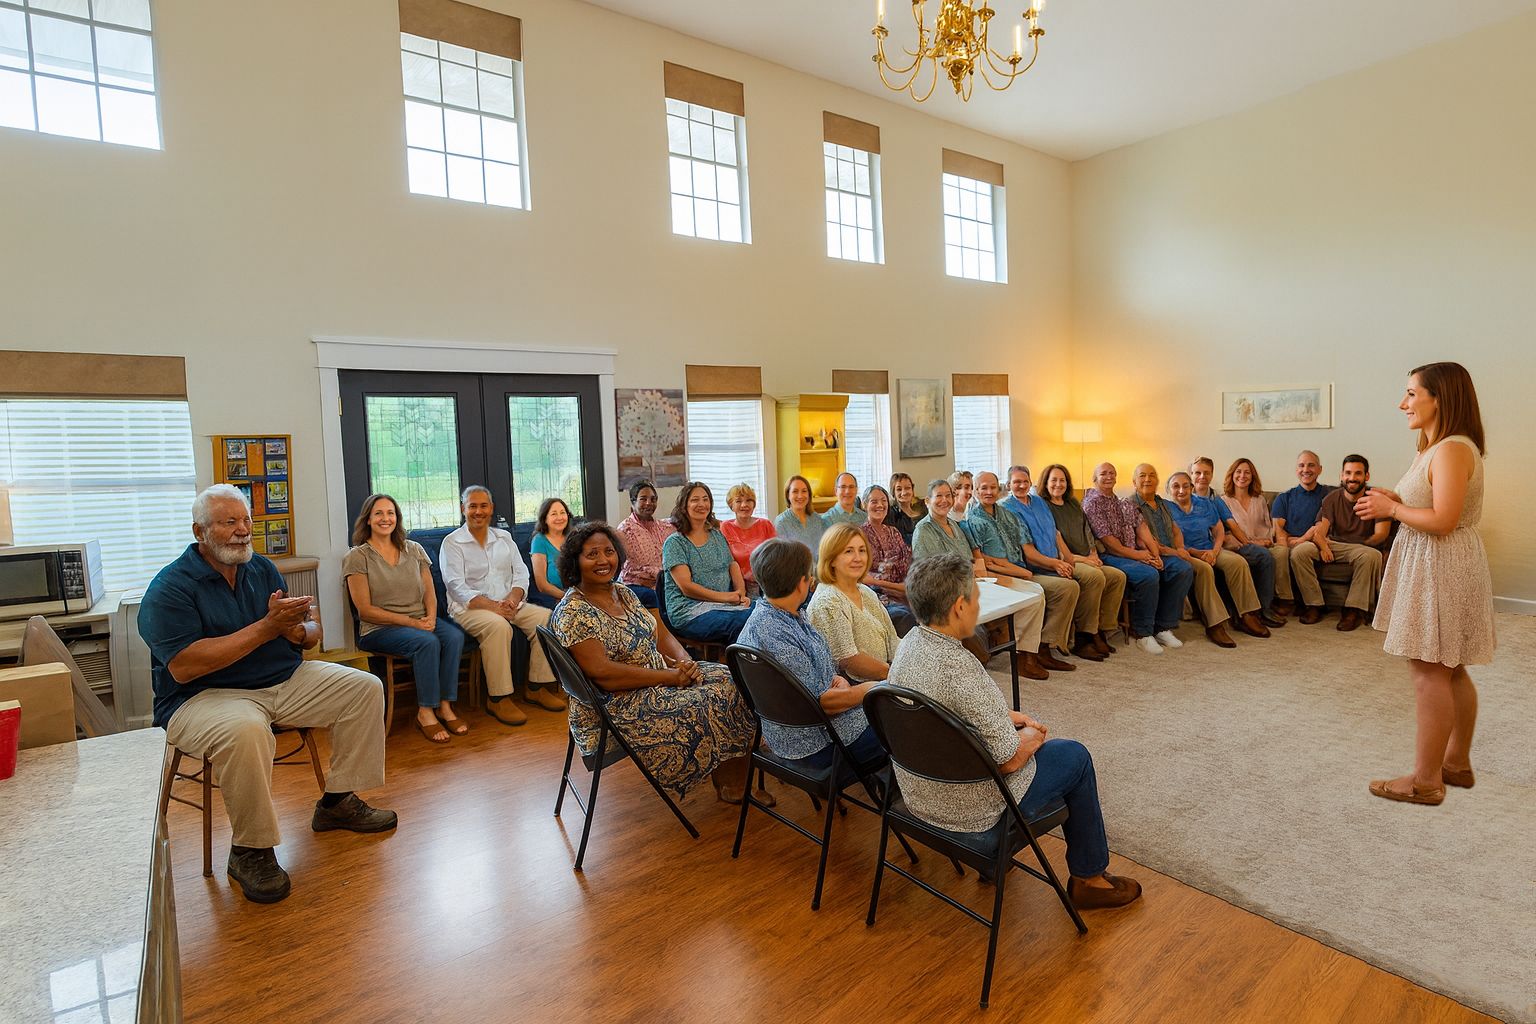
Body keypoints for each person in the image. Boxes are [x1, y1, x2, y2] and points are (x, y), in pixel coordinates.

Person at [139, 485, 396, 904]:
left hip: (282, 679)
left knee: (363, 686)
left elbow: (311, 633)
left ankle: (337, 802)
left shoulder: (262, 569)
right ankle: (250, 850)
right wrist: (267, 628)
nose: (242, 531)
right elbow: (185, 665)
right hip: (203, 697)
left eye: (246, 522)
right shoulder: (170, 589)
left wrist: (298, 630)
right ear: (199, 531)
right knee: (245, 731)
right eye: (229, 523)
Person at [883, 553, 1142, 910]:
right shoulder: (960, 667)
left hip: (918, 794)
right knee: (1074, 756)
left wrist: (1003, 714)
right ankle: (1089, 878)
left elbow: (945, 709)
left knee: (1038, 745)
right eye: (975, 596)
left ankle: (1018, 867)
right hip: (969, 806)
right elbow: (1007, 760)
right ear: (960, 607)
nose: (978, 604)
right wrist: (1033, 737)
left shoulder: (910, 644)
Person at [1360, 362, 1494, 806]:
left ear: (1440, 397)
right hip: (1438, 561)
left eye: (1411, 394)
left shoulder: (1452, 449)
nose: (1403, 403)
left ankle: (1425, 780)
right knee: (1450, 668)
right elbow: (1432, 502)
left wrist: (1394, 510)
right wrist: (1395, 499)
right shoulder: (1434, 447)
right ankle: (1454, 763)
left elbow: (1444, 519)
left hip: (1440, 563)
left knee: (1429, 671)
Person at [550, 521, 759, 804]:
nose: (603, 560)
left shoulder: (621, 592)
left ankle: (731, 773)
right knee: (711, 698)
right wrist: (670, 677)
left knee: (731, 678)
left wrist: (684, 662)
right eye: (592, 554)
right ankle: (733, 780)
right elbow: (603, 675)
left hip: (658, 676)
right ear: (575, 561)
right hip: (616, 704)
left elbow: (659, 633)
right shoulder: (574, 610)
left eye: (609, 552)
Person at [738, 538, 886, 770]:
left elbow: (814, 678)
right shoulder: (773, 631)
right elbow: (824, 704)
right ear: (801, 584)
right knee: (907, 725)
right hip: (817, 745)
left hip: (806, 732)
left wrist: (836, 680)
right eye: (809, 576)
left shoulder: (778, 614)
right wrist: (874, 687)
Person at [343, 493, 468, 745]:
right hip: (379, 628)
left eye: (390, 513)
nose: (385, 518)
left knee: (453, 636)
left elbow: (430, 592)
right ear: (368, 519)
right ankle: (425, 712)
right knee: (427, 642)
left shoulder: (414, 550)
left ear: (397, 518)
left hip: (420, 619)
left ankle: (445, 706)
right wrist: (414, 624)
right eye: (378, 513)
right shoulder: (357, 556)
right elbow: (364, 610)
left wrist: (431, 618)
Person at [441, 485, 564, 726]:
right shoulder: (452, 543)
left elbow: (520, 574)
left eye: (483, 506)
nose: (478, 511)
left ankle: (536, 686)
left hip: (509, 603)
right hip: (469, 609)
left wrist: (513, 599)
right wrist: (494, 607)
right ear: (463, 509)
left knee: (547, 618)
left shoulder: (504, 538)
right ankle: (498, 699)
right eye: (473, 506)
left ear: (491, 509)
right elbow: (457, 586)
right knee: (499, 627)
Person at [913, 478, 1050, 679]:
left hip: (976, 580)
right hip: (949, 591)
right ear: (927, 501)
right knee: (1023, 597)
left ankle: (1025, 652)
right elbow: (932, 573)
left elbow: (971, 559)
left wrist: (988, 575)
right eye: (938, 496)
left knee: (1035, 592)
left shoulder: (953, 524)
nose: (944, 500)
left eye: (947, 495)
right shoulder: (924, 529)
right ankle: (1021, 655)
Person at [965, 471, 1082, 669]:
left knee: (1068, 588)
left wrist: (1038, 567)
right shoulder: (972, 521)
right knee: (1035, 596)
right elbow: (983, 562)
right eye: (983, 488)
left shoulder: (1008, 515)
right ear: (975, 491)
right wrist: (1021, 573)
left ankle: (1044, 646)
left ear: (999, 488)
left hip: (1023, 570)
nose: (989, 491)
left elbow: (1026, 546)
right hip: (998, 577)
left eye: (993, 487)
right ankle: (1023, 655)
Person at [1001, 465, 1116, 662]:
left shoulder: (1038, 502)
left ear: (1031, 483)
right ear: (1008, 484)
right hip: (1033, 567)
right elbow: (1027, 552)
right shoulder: (1008, 508)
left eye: (1024, 481)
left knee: (1096, 577)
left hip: (1055, 560)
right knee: (1070, 587)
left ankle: (1086, 634)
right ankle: (1047, 646)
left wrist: (1068, 559)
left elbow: (1056, 534)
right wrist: (1055, 564)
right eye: (1016, 482)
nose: (1021, 486)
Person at [1081, 463, 1194, 655]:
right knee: (1148, 574)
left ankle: (1163, 626)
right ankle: (1143, 633)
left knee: (1182, 568)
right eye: (1103, 474)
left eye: (1112, 473)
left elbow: (1143, 529)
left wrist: (1155, 555)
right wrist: (1141, 556)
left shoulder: (1122, 502)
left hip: (1135, 553)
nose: (1109, 477)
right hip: (1110, 556)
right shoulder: (1093, 503)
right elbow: (1111, 545)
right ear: (1095, 479)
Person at [1130, 465, 1242, 648]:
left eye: (1152, 475)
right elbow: (1146, 541)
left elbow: (1175, 531)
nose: (1148, 479)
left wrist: (1181, 547)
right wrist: (1180, 551)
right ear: (1134, 482)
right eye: (1142, 476)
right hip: (1154, 554)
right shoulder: (1132, 505)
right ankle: (1215, 624)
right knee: (1197, 568)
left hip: (1176, 551)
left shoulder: (1160, 503)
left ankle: (1164, 627)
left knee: (1192, 567)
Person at [1164, 471, 1272, 639]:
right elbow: (1170, 538)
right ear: (1168, 490)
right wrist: (1198, 554)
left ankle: (1247, 615)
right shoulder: (1166, 509)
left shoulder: (1204, 503)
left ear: (1192, 487)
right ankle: (1215, 624)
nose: (1181, 490)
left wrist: (1214, 551)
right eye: (1175, 486)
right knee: (1205, 569)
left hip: (1210, 549)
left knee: (1238, 563)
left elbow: (1218, 529)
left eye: (1186, 486)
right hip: (1186, 553)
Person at [1036, 464, 1127, 656]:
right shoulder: (1042, 506)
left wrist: (1093, 553)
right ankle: (1085, 636)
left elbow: (1087, 530)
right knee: (1095, 577)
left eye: (1062, 480)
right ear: (1045, 482)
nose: (1058, 484)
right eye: (1054, 480)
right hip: (1066, 559)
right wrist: (1084, 560)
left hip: (1085, 557)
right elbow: (1055, 540)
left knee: (1117, 576)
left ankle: (1102, 630)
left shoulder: (1073, 503)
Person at [1292, 455, 1390, 630]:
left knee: (1370, 556)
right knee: (1300, 552)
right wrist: (1323, 546)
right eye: (1348, 473)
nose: (1352, 478)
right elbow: (1320, 531)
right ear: (1341, 475)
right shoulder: (1332, 498)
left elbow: (1381, 535)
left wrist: (1360, 544)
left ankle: (1354, 610)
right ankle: (1315, 604)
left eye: (1358, 473)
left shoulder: (1376, 498)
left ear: (1366, 476)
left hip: (1363, 548)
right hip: (1334, 545)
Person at [807, 524, 901, 683]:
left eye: (862, 550)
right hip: (858, 689)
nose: (858, 558)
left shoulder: (866, 592)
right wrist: (897, 674)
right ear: (832, 559)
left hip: (886, 678)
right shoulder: (828, 601)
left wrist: (912, 662)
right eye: (848, 551)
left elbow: (892, 639)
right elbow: (849, 660)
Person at [661, 481, 752, 644]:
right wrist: (726, 597)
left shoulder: (716, 535)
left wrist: (741, 593)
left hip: (725, 605)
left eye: (705, 499)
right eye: (695, 500)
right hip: (689, 612)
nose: (701, 504)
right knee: (746, 620)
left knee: (766, 611)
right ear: (684, 506)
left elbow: (733, 566)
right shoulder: (675, 542)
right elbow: (687, 587)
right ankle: (735, 668)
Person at [1220, 458, 1295, 620]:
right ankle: (1264, 608)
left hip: (1261, 543)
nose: (1242, 476)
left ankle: (1279, 601)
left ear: (1252, 476)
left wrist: (1264, 541)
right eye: (1238, 472)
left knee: (1279, 552)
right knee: (1265, 557)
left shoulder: (1259, 499)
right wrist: (1251, 543)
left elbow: (1267, 528)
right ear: (1232, 475)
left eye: (1247, 472)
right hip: (1236, 546)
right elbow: (1224, 533)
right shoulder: (1223, 501)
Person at [1272, 451, 1336, 587]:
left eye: (1311, 465)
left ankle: (1313, 604)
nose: (1306, 470)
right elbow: (1279, 530)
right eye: (1301, 466)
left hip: (1317, 541)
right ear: (1296, 470)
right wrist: (1285, 543)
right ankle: (1285, 599)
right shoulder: (1284, 498)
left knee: (1302, 550)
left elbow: (1320, 527)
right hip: (1291, 543)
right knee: (1280, 552)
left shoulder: (1329, 495)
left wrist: (1301, 540)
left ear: (1320, 469)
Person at [859, 484, 916, 633]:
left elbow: (907, 566)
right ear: (864, 505)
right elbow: (864, 579)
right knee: (906, 617)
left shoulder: (894, 532)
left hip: (903, 592)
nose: (880, 505)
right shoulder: (858, 535)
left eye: (883, 501)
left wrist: (906, 588)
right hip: (878, 597)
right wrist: (895, 588)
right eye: (874, 501)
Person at [615, 479, 674, 609]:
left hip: (662, 583)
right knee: (661, 599)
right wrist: (664, 575)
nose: (649, 503)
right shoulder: (625, 529)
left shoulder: (662, 526)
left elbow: (680, 520)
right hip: (634, 585)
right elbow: (639, 566)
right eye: (643, 499)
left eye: (653, 499)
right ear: (633, 502)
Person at [720, 482, 776, 598]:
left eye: (749, 500)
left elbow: (776, 556)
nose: (744, 505)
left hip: (767, 581)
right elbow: (727, 561)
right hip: (739, 586)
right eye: (738, 501)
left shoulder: (765, 524)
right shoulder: (726, 527)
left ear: (754, 504)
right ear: (731, 505)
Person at [528, 497, 573, 609]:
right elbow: (542, 585)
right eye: (553, 514)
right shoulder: (539, 541)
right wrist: (568, 597)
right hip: (552, 598)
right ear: (545, 519)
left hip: (577, 594)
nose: (559, 517)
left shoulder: (573, 537)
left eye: (563, 513)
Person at [774, 474, 827, 553]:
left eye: (804, 491)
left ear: (809, 495)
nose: (800, 496)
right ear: (788, 495)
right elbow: (782, 557)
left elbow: (825, 548)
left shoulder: (817, 519)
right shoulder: (781, 522)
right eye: (795, 491)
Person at [888, 472, 925, 544]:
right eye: (899, 489)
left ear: (912, 490)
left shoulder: (923, 510)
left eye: (907, 488)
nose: (904, 492)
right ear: (893, 493)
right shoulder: (890, 515)